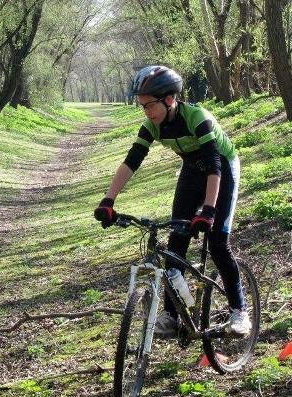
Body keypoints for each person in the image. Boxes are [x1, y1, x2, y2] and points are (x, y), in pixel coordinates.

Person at [93, 65, 251, 336]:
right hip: (192, 171)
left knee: (217, 243)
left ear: (169, 99)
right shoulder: (152, 126)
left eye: (149, 105)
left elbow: (215, 165)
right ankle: (171, 314)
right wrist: (108, 200)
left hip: (221, 167)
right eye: (141, 106)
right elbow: (131, 162)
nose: (146, 112)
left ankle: (240, 311)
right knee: (176, 243)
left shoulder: (197, 117)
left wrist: (209, 210)